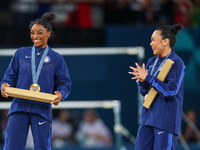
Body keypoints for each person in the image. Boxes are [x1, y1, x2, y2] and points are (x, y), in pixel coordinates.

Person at [0, 12, 72, 150]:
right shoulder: (20, 53)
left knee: (42, 147)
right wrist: (4, 85)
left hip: (41, 108)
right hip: (19, 106)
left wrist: (61, 94)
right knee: (11, 147)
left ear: (48, 33)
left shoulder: (56, 58)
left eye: (40, 33)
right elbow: (9, 76)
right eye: (32, 32)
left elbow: (65, 83)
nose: (35, 36)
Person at [129, 24, 185, 150]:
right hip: (147, 118)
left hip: (165, 121)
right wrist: (141, 81)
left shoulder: (177, 63)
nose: (151, 43)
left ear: (165, 41)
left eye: (153, 39)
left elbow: (171, 90)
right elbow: (145, 91)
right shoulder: (151, 62)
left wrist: (148, 78)